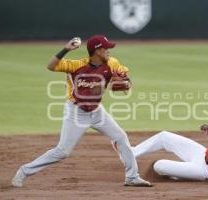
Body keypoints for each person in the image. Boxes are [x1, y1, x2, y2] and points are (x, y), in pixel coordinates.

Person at [12, 35, 151, 187]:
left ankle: (132, 177)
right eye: (106, 48)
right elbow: (51, 66)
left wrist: (126, 82)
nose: (109, 51)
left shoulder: (112, 63)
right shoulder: (76, 65)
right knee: (62, 151)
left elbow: (125, 78)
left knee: (121, 137)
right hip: (76, 113)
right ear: (97, 51)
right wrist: (66, 49)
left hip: (97, 111)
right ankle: (24, 171)